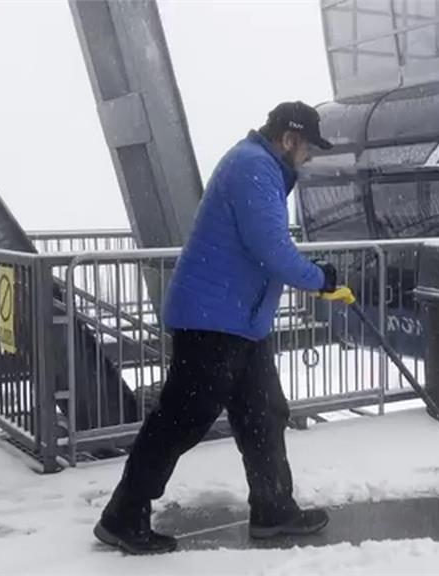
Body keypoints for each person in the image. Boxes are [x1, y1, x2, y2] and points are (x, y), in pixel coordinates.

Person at [93, 101, 339, 555]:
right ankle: (123, 515)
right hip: (212, 321)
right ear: (289, 139)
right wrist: (320, 279)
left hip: (242, 323)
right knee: (182, 418)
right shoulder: (253, 168)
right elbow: (270, 249)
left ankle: (273, 508)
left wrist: (313, 276)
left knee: (264, 413)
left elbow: (268, 248)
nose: (307, 158)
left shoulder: (262, 167)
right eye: (307, 148)